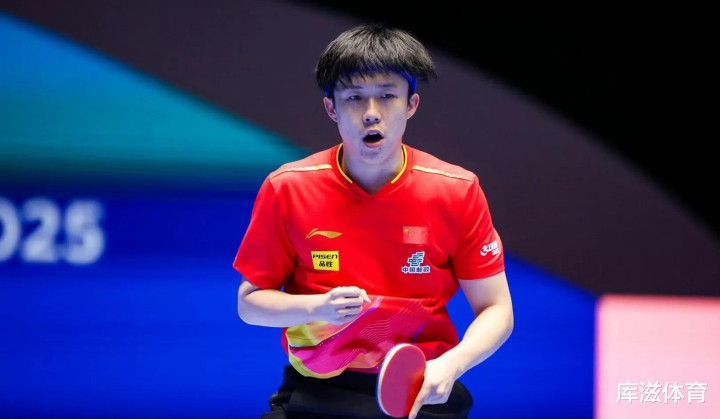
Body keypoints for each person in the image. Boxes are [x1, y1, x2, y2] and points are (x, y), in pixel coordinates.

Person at [233, 23, 514, 419]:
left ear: (411, 104)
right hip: (317, 390)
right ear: (331, 108)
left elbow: (497, 308)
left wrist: (452, 365)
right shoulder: (288, 188)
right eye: (354, 97)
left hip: (420, 389)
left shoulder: (456, 191)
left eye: (387, 96)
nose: (371, 113)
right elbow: (250, 305)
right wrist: (318, 307)